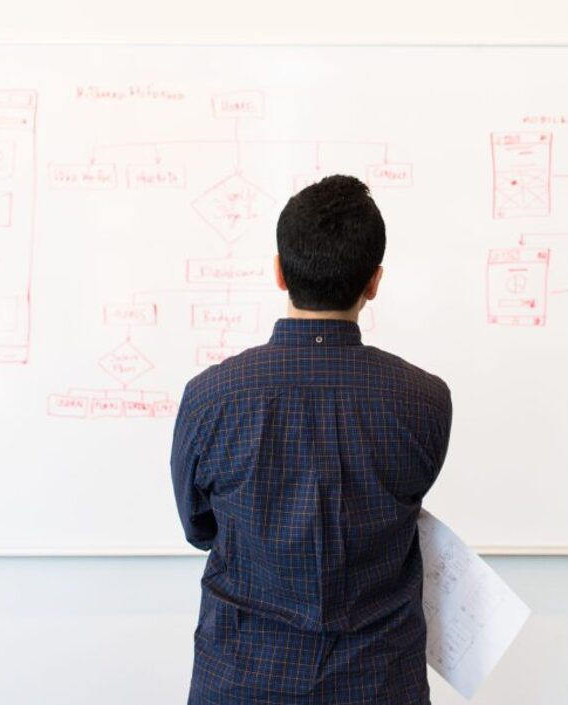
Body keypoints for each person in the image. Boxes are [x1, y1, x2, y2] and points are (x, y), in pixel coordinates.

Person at [170, 174, 453, 704]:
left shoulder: (210, 398)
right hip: (378, 684)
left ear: (278, 272)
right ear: (374, 281)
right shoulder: (425, 400)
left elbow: (199, 527)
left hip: (241, 680)